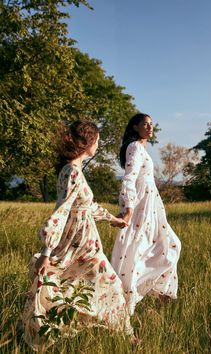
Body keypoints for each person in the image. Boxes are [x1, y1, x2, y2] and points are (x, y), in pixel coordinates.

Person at [22, 120, 133, 351]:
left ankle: (115, 332)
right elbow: (61, 211)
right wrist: (46, 251)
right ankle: (127, 336)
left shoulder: (75, 171)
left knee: (82, 285)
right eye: (98, 140)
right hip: (79, 243)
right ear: (88, 141)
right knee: (109, 284)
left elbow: (88, 206)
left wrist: (114, 219)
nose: (99, 144)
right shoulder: (71, 171)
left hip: (86, 242)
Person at [111, 113, 181, 315]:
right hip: (141, 207)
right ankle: (128, 303)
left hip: (152, 206)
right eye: (145, 124)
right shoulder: (134, 147)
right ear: (135, 127)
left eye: (152, 124)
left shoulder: (141, 149)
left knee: (170, 247)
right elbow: (129, 179)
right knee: (137, 251)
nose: (150, 128)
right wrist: (128, 209)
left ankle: (161, 298)